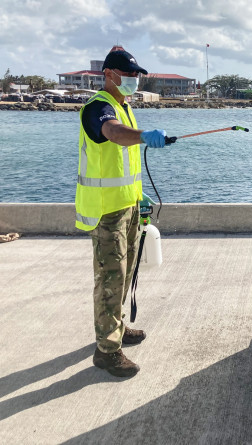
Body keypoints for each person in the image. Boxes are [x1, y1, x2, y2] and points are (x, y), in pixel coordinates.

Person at [75, 49, 166, 377]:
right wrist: (144, 137)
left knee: (125, 273)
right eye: (129, 74)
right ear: (109, 74)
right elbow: (112, 134)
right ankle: (107, 351)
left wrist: (140, 200)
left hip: (127, 206)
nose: (134, 79)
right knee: (110, 278)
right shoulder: (97, 107)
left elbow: (125, 165)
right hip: (106, 211)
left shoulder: (124, 107)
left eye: (136, 75)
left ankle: (116, 328)